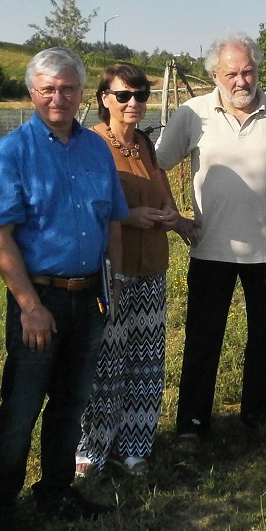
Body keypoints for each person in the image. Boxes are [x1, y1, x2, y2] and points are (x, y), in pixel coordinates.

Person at [0, 47, 128, 531]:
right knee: (21, 407)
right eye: (47, 89)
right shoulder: (11, 154)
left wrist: (109, 291)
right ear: (32, 94)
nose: (58, 98)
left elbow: (111, 221)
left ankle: (57, 491)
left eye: (67, 88)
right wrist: (29, 306)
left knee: (71, 403)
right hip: (38, 302)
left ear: (81, 94)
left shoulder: (95, 150)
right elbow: (0, 237)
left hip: (88, 299)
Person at [155, 34, 266, 441]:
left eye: (247, 71)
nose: (241, 80)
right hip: (210, 248)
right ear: (215, 74)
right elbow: (157, 163)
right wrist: (175, 217)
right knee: (202, 340)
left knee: (264, 341)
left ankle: (260, 419)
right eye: (231, 73)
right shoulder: (193, 113)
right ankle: (193, 425)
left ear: (256, 70)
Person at [75, 63, 197, 477]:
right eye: (124, 95)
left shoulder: (145, 144)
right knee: (107, 360)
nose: (134, 103)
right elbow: (90, 207)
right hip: (111, 269)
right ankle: (92, 450)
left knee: (145, 359)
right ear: (103, 99)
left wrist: (175, 220)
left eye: (141, 95)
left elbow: (164, 195)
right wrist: (131, 216)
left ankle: (133, 447)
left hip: (152, 267)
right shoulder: (90, 145)